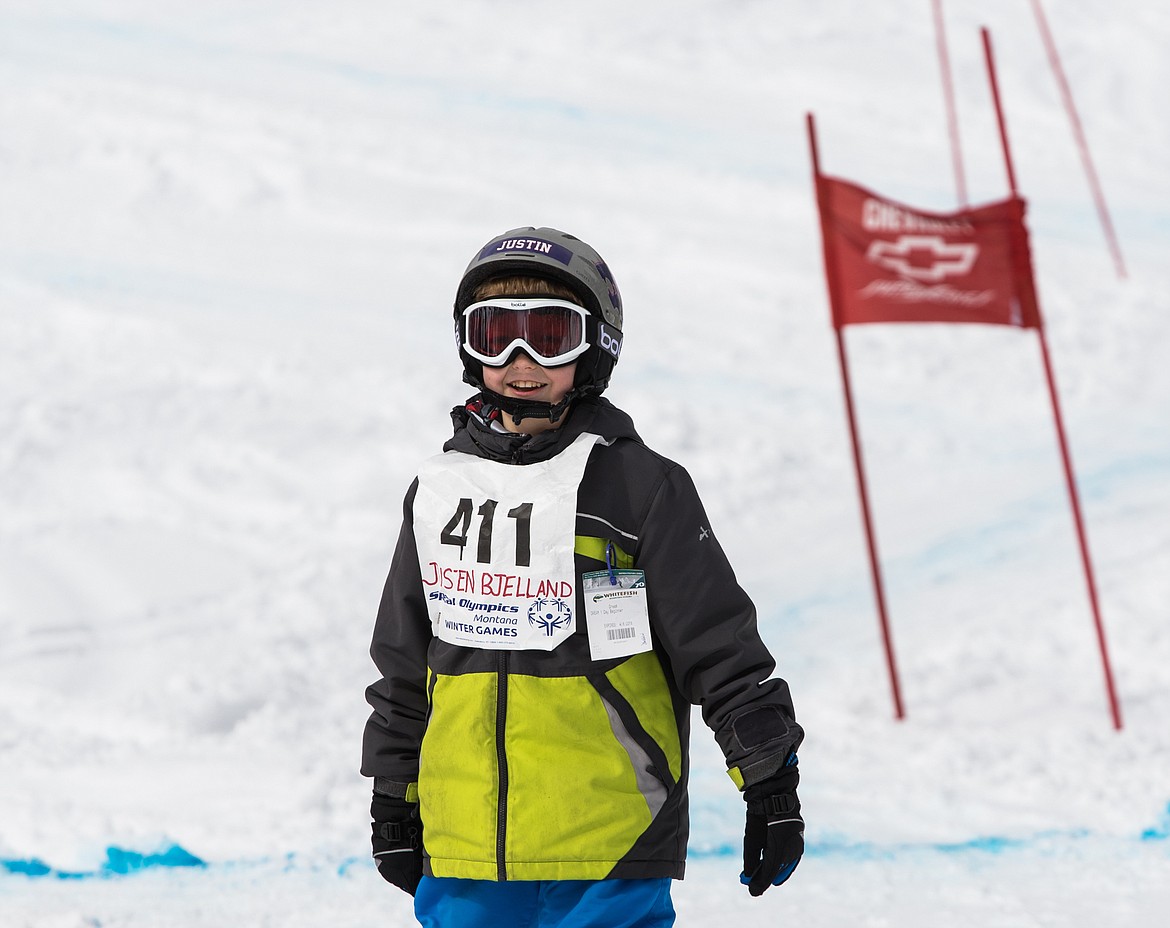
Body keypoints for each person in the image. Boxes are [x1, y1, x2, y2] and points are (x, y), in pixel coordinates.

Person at [361, 227, 805, 927]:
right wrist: (394, 792)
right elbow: (405, 660)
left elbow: (718, 646)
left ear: (595, 346)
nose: (520, 360)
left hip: (608, 839)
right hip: (467, 846)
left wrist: (770, 780)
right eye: (496, 333)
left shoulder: (639, 488)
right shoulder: (441, 490)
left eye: (550, 334)